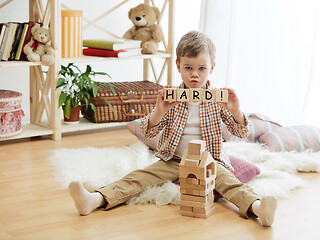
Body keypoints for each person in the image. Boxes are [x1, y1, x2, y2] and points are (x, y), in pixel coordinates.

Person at [68, 31, 277, 227]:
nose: (194, 75)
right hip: (174, 159)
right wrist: (159, 112)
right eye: (188, 68)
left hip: (209, 160)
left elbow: (242, 133)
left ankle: (258, 208)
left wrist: (236, 111)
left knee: (229, 183)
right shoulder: (170, 96)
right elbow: (148, 133)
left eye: (201, 68)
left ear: (212, 67)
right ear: (178, 66)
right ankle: (95, 199)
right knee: (138, 177)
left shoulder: (218, 98)